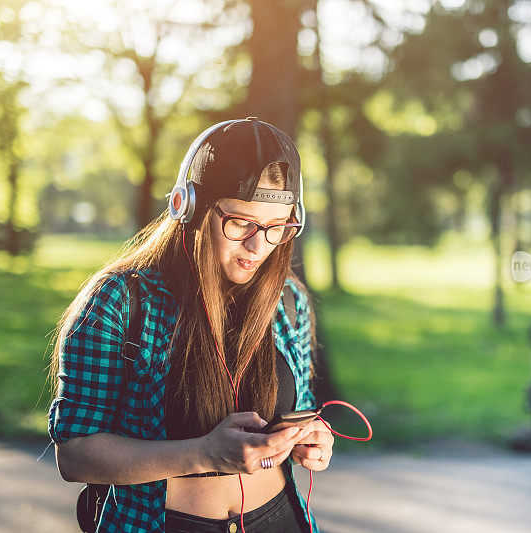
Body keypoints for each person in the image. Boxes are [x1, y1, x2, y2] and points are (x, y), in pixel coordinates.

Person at [46, 118, 332, 533]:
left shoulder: (288, 300)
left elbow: (301, 406)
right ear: (188, 207)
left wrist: (311, 441)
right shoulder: (120, 302)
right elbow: (74, 455)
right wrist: (203, 454)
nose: (258, 246)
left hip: (280, 519)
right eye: (241, 223)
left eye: (278, 227)